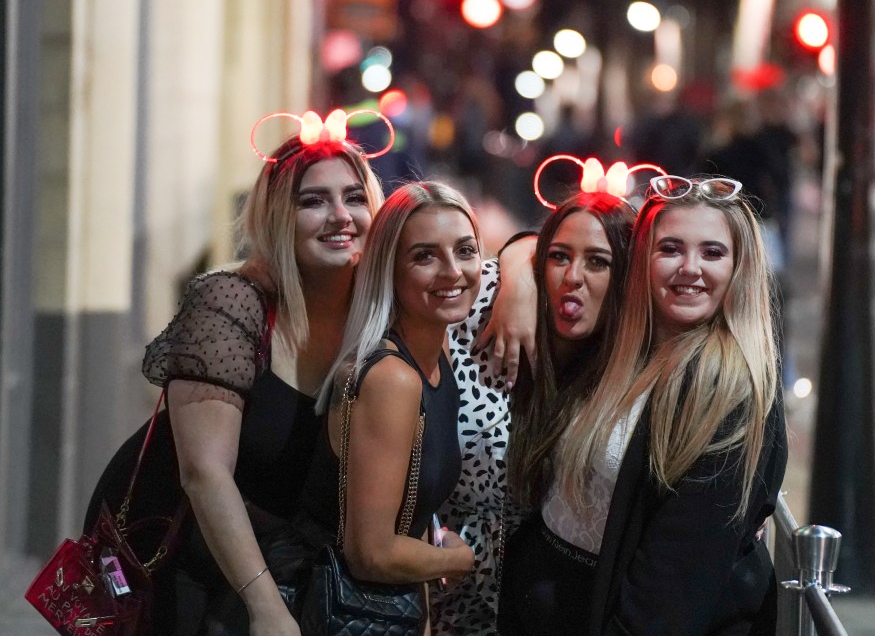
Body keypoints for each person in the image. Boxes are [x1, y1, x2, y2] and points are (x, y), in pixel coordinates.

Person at [83, 111, 531, 635]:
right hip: (179, 551)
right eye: (312, 200)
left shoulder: (382, 299)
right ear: (277, 215)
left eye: (355, 198)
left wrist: (520, 284)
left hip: (285, 563)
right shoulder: (234, 302)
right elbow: (204, 475)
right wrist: (265, 606)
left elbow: (490, 263)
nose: (339, 215)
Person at [501, 175, 787, 635]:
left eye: (713, 253)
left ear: (740, 268)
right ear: (642, 262)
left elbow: (669, 595)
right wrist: (517, 269)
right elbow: (576, 239)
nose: (689, 268)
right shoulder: (624, 350)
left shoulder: (724, 391)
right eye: (670, 248)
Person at [435, 190, 636, 634]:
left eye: (598, 262)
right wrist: (518, 274)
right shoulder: (485, 310)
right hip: (435, 594)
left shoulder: (626, 369)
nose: (573, 277)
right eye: (559, 257)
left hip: (535, 609)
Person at [298, 182, 484, 617]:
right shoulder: (391, 378)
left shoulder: (437, 353)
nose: (453, 271)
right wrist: (459, 559)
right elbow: (372, 553)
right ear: (389, 269)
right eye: (424, 256)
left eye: (465, 250)